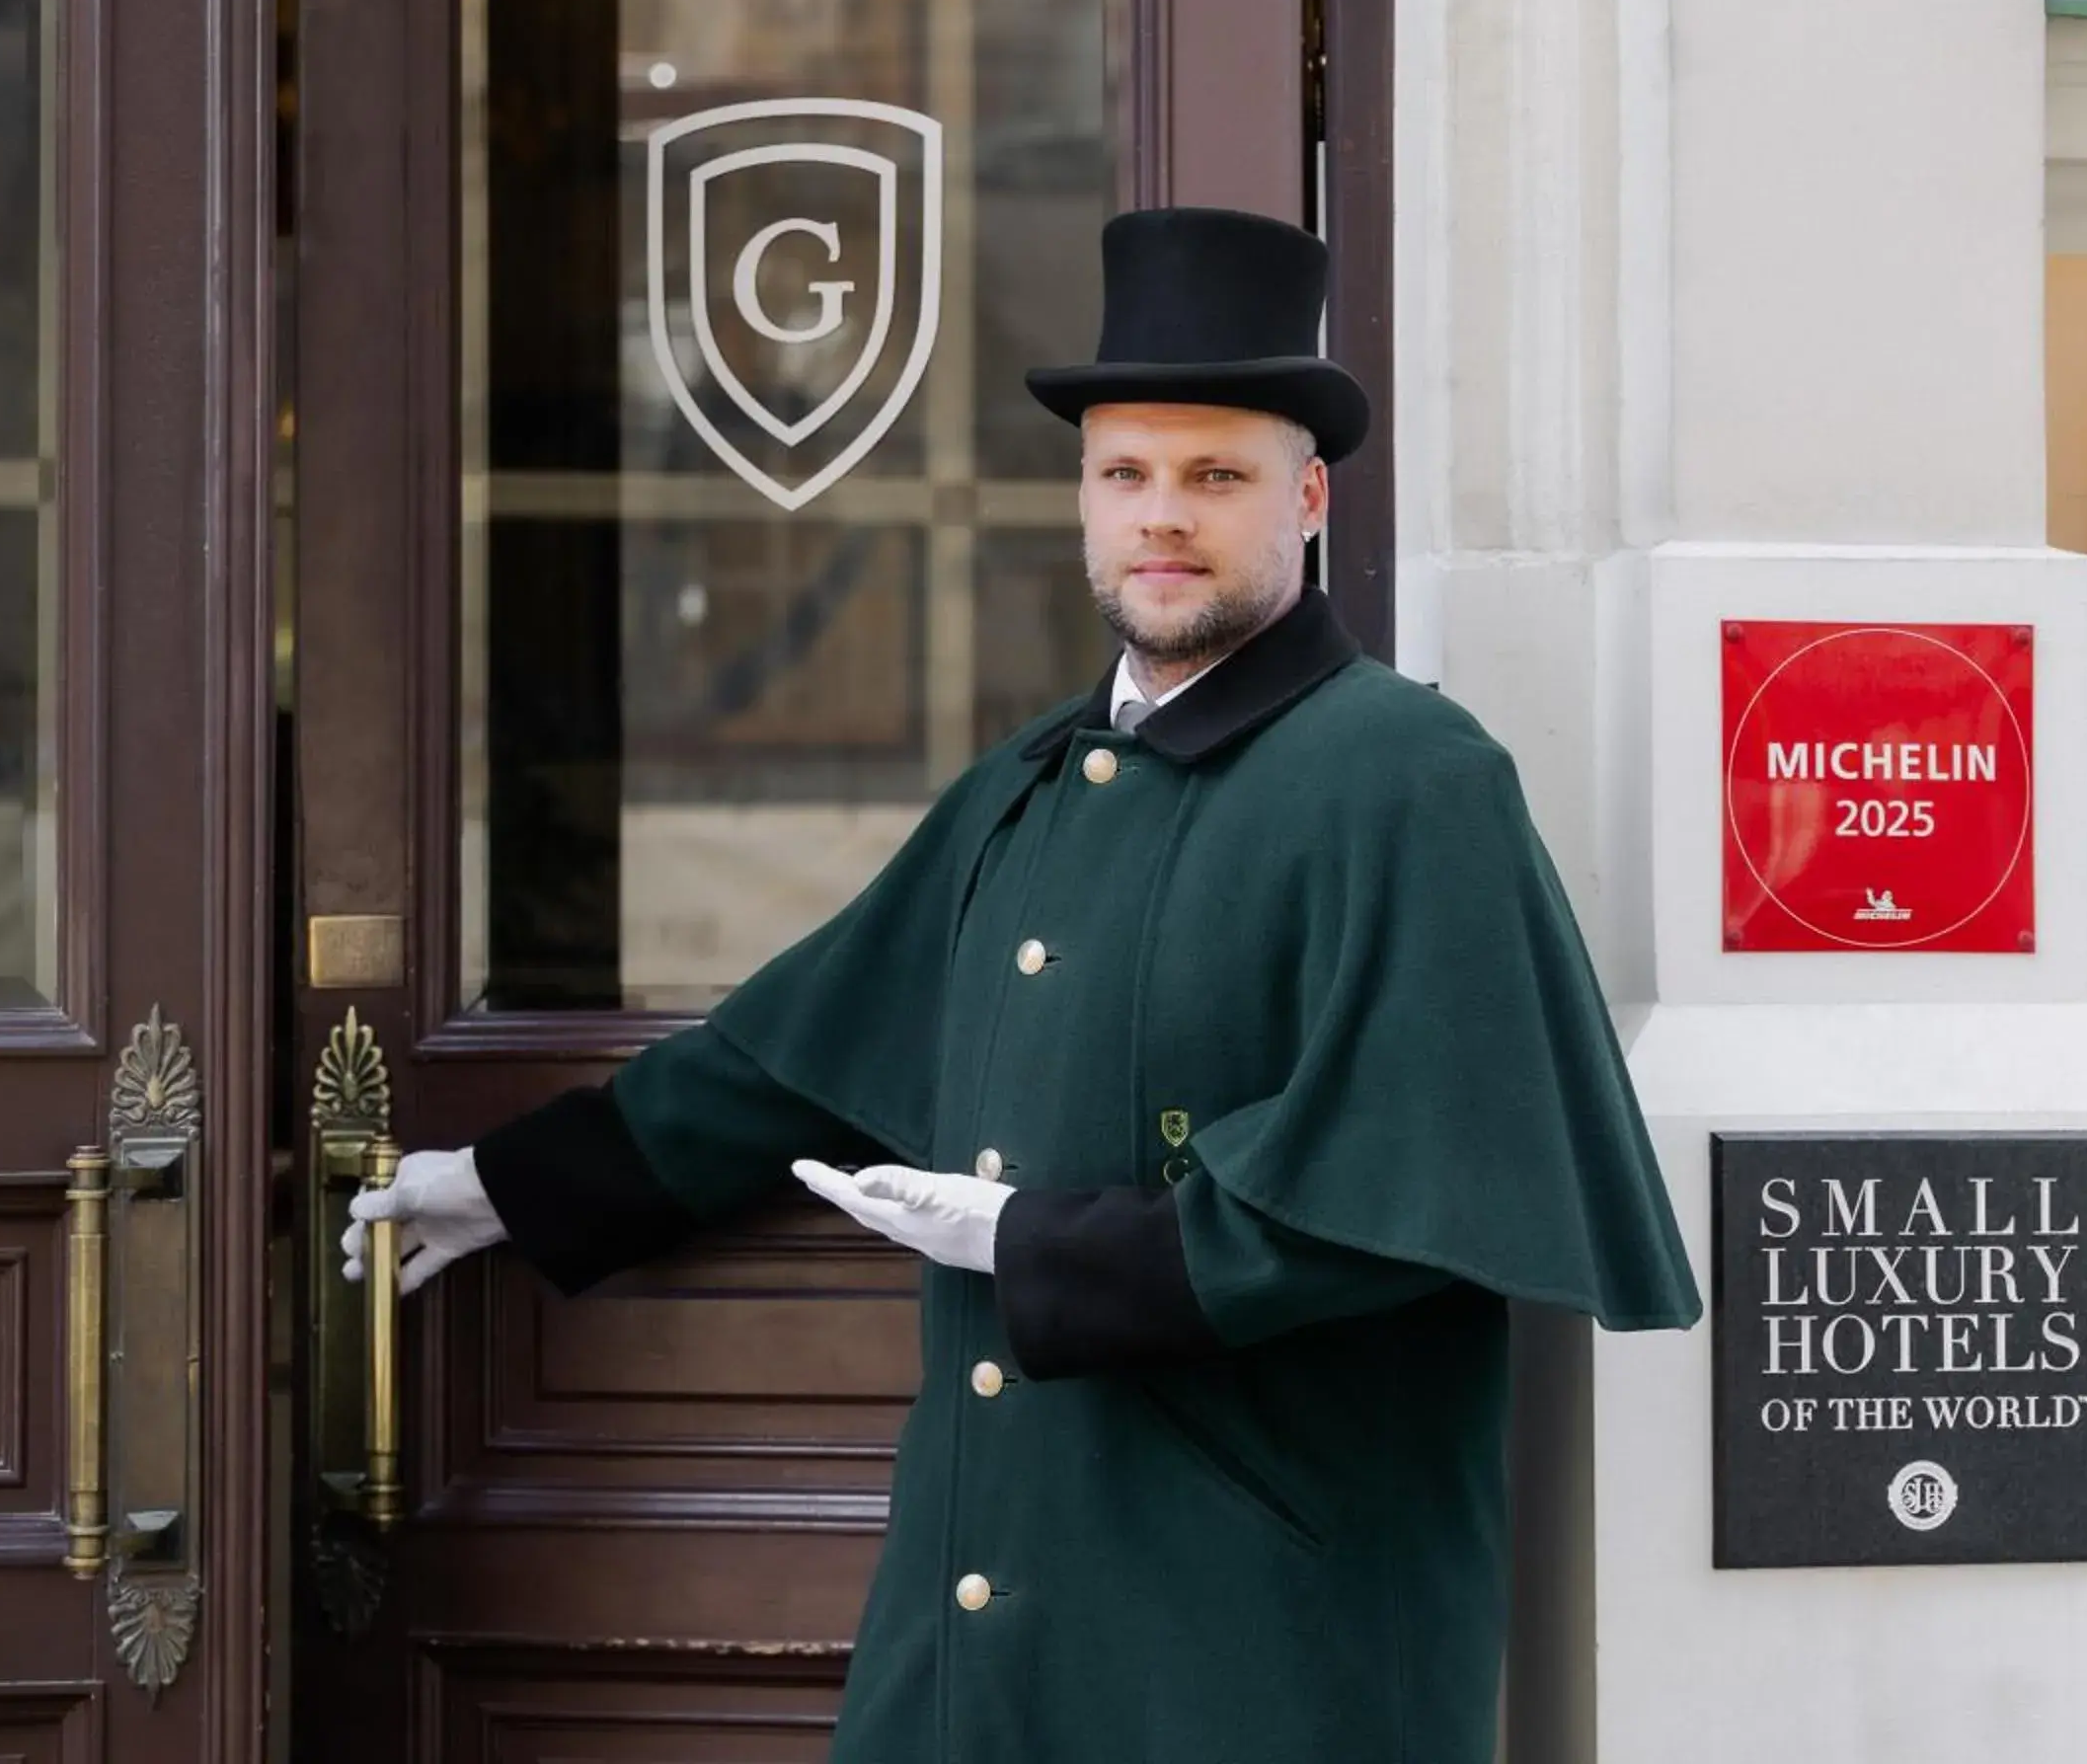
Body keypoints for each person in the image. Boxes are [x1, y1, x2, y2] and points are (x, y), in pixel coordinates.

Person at [345, 204, 1699, 1763]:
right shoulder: (1041, 782)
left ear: (1308, 498)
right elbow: (801, 1048)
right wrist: (516, 1184)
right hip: (983, 1622)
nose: (1162, 518)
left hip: (1258, 1644)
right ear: (1082, 500)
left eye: (1216, 477)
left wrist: (1031, 1240)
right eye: (1126, 475)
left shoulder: (1408, 777)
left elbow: (1409, 1191)